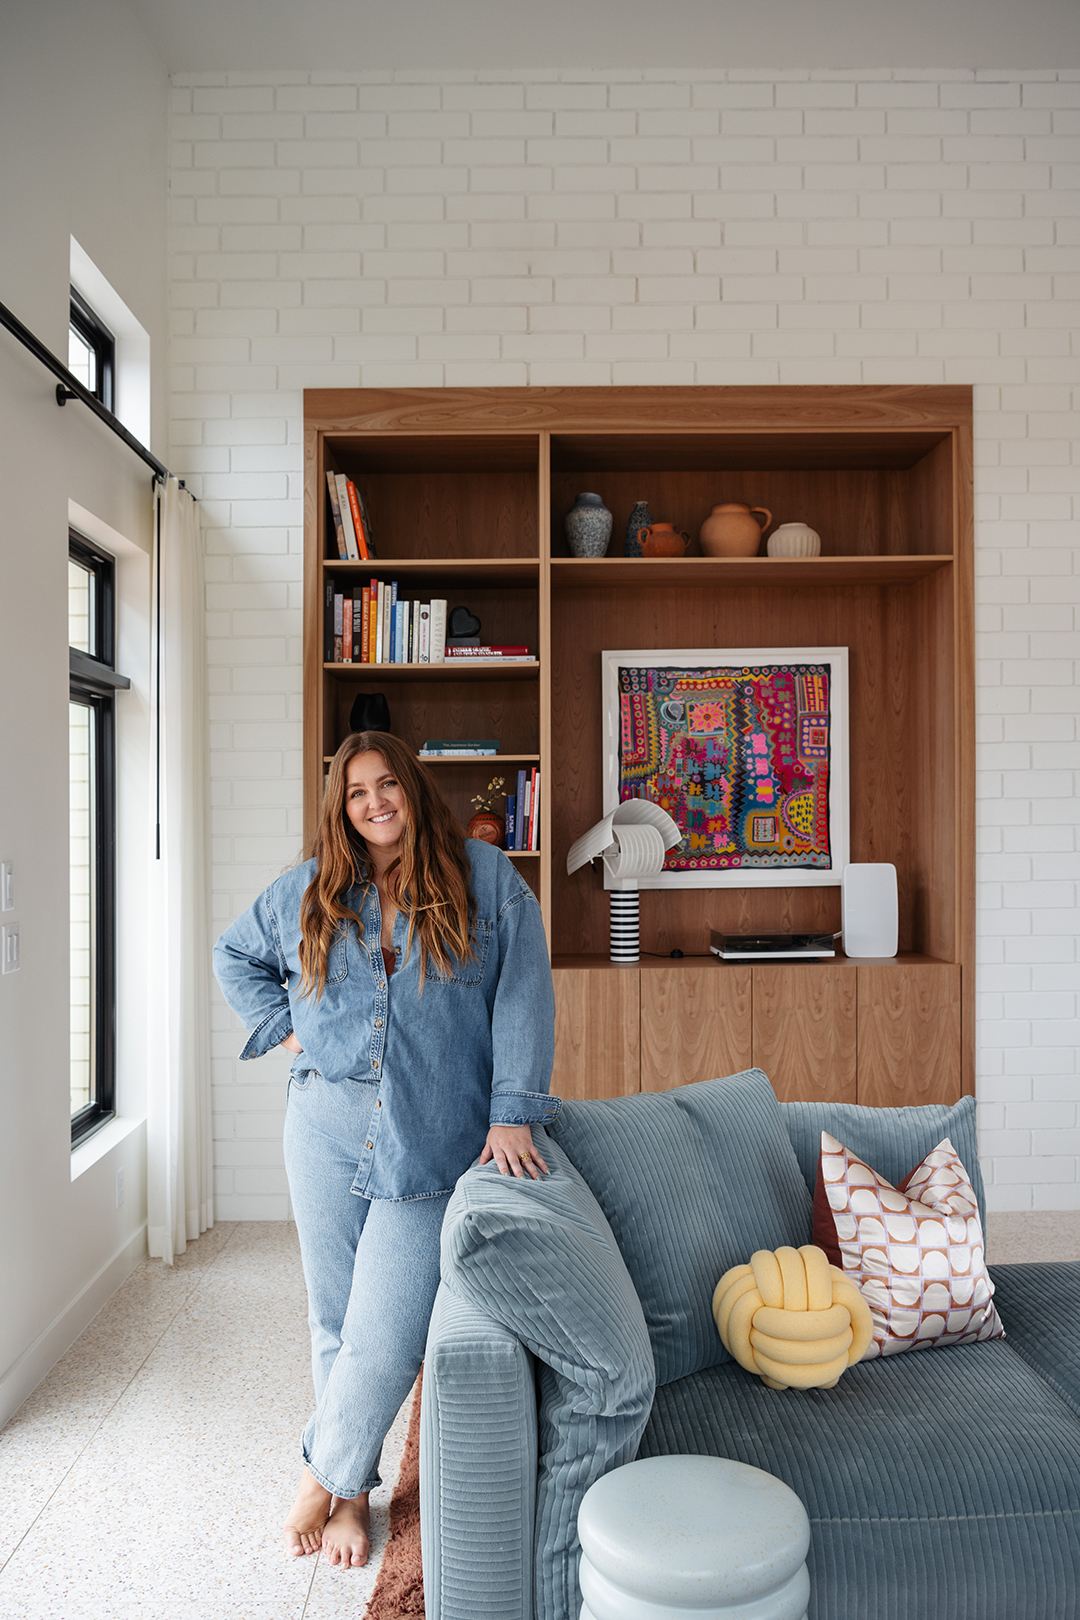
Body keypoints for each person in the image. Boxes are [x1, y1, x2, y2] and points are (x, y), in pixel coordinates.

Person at [213, 731, 558, 1567]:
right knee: (332, 1315)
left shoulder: (487, 879)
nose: (374, 803)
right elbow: (236, 955)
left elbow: (524, 993)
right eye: (356, 792)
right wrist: (287, 1032)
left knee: (387, 1331)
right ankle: (353, 1497)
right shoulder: (311, 890)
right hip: (324, 1131)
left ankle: (317, 1475)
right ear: (342, 807)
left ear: (412, 788)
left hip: (435, 1140)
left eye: (386, 785)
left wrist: (511, 1110)